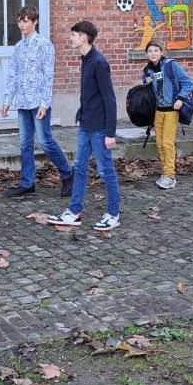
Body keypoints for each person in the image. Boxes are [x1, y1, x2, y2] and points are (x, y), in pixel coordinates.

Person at [48, 21, 121, 231]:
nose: (70, 38)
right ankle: (74, 212)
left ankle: (113, 214)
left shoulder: (98, 62)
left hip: (99, 129)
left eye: (73, 35)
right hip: (86, 125)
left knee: (106, 171)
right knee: (79, 168)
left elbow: (109, 99)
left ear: (84, 37)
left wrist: (110, 132)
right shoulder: (86, 60)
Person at [0, 6, 73, 198]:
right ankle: (27, 183)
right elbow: (13, 75)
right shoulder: (18, 47)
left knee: (45, 141)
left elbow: (48, 76)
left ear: (35, 22)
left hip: (39, 103)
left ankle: (68, 174)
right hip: (23, 102)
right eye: (20, 21)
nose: (22, 25)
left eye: (26, 21)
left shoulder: (44, 45)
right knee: (25, 144)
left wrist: (44, 103)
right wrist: (7, 101)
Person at [141, 41, 193, 189]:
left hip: (171, 111)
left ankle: (170, 176)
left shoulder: (171, 65)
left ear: (161, 52)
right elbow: (146, 89)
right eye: (150, 51)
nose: (153, 53)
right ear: (146, 54)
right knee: (160, 144)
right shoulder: (147, 70)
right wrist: (146, 82)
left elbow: (188, 83)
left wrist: (180, 99)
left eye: (156, 50)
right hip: (158, 112)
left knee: (167, 143)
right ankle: (165, 173)